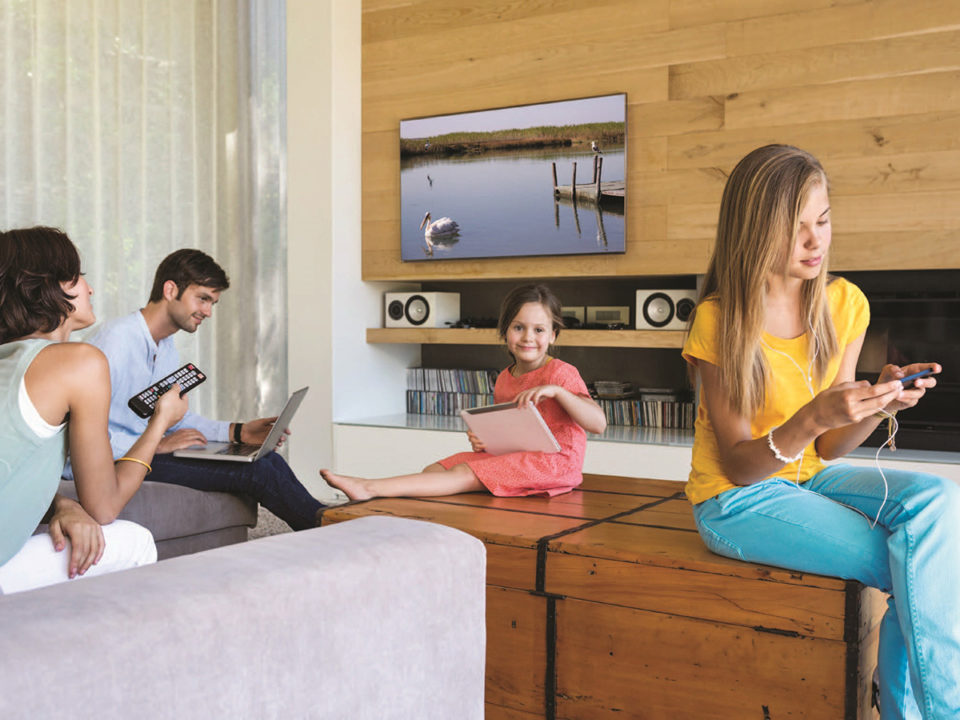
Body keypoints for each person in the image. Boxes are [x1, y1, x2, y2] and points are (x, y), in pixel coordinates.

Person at [682, 144, 959, 719]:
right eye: (795, 229)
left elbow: (830, 446)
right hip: (736, 501)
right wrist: (810, 417)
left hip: (809, 481)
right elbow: (739, 465)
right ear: (754, 232)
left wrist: (877, 405)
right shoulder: (720, 319)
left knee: (938, 500)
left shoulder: (843, 303)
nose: (816, 241)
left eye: (823, 221)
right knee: (912, 563)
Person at [63, 249, 324, 530]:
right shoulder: (115, 341)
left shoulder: (164, 346)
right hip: (112, 463)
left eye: (213, 303)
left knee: (267, 458)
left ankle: (328, 520)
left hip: (143, 451)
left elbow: (179, 419)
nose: (208, 312)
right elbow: (77, 432)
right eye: (203, 299)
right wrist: (158, 444)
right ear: (170, 289)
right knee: (257, 472)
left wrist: (239, 432)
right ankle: (330, 533)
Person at [0, 227, 188, 594]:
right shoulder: (80, 362)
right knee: (135, 542)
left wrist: (61, 505)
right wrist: (161, 421)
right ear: (52, 287)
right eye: (79, 275)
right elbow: (105, 506)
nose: (90, 288)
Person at [322, 284, 606, 500]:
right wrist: (486, 441)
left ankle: (369, 487)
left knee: (463, 475)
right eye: (519, 327)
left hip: (556, 465)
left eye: (539, 330)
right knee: (435, 470)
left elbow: (598, 424)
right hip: (522, 458)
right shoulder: (505, 379)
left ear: (553, 335)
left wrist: (558, 392)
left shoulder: (560, 374)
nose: (528, 337)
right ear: (505, 331)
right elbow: (514, 438)